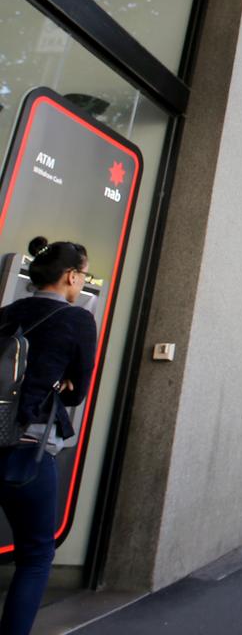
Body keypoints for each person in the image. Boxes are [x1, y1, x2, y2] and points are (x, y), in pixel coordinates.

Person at [0, 237, 97, 635]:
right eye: (84, 275)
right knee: (37, 555)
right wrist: (60, 384)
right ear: (71, 276)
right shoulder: (77, 320)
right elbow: (79, 390)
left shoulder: (8, 311)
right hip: (28, 449)